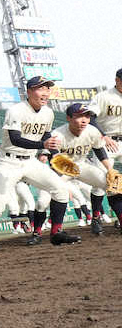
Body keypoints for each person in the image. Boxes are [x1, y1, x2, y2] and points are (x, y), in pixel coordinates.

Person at [0, 76, 77, 248]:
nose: (45, 93)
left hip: (31, 161)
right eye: (40, 88)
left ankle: (56, 233)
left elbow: (46, 135)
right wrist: (43, 145)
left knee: (60, 190)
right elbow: (15, 139)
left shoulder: (48, 112)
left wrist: (55, 154)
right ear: (28, 91)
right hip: (8, 161)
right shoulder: (16, 110)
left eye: (47, 88)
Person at [46, 103, 114, 236]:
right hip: (62, 168)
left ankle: (104, 219)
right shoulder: (57, 134)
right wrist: (62, 182)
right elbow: (54, 160)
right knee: (44, 200)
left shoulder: (92, 130)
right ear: (69, 118)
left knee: (111, 184)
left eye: (87, 116)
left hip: (81, 165)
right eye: (79, 116)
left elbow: (99, 151)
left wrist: (110, 169)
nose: (84, 120)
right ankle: (49, 231)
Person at [86, 69, 122, 228]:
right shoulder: (104, 97)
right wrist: (103, 135)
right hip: (106, 141)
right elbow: (90, 117)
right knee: (101, 181)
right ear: (117, 80)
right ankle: (95, 217)